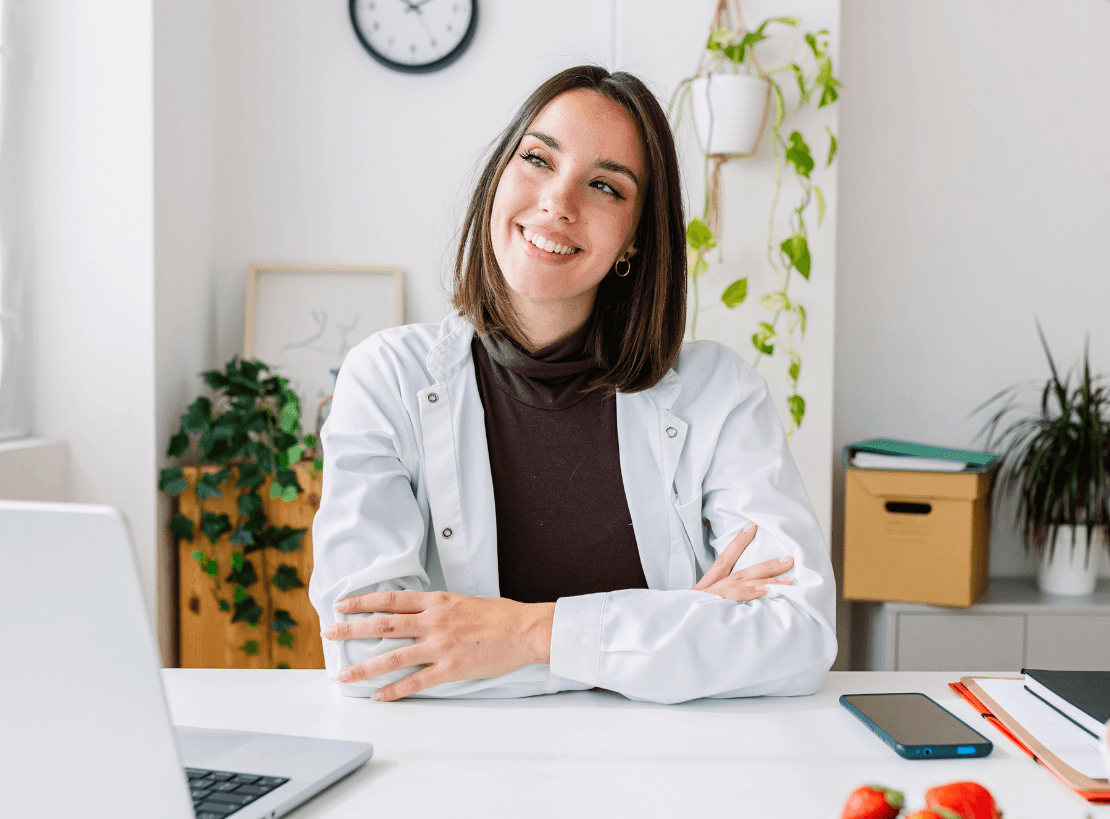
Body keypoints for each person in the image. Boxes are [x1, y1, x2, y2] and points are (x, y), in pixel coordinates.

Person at [309, 65, 836, 704]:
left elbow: (797, 634)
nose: (559, 202)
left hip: (674, 775)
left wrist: (524, 632)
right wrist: (669, 631)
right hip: (457, 773)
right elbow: (373, 654)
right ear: (498, 177)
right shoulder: (387, 378)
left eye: (606, 186)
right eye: (537, 159)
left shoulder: (718, 392)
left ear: (634, 242)